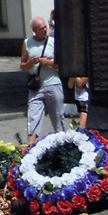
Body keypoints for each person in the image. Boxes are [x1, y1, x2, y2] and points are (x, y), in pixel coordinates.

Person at [20, 16, 63, 146]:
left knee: (58, 116)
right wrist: (30, 63)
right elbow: (22, 66)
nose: (45, 30)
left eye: (46, 27)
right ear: (34, 30)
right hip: (36, 87)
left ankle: (62, 144)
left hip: (53, 83)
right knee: (33, 116)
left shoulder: (53, 42)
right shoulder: (27, 43)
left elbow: (62, 65)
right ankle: (30, 147)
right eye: (42, 28)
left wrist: (48, 62)